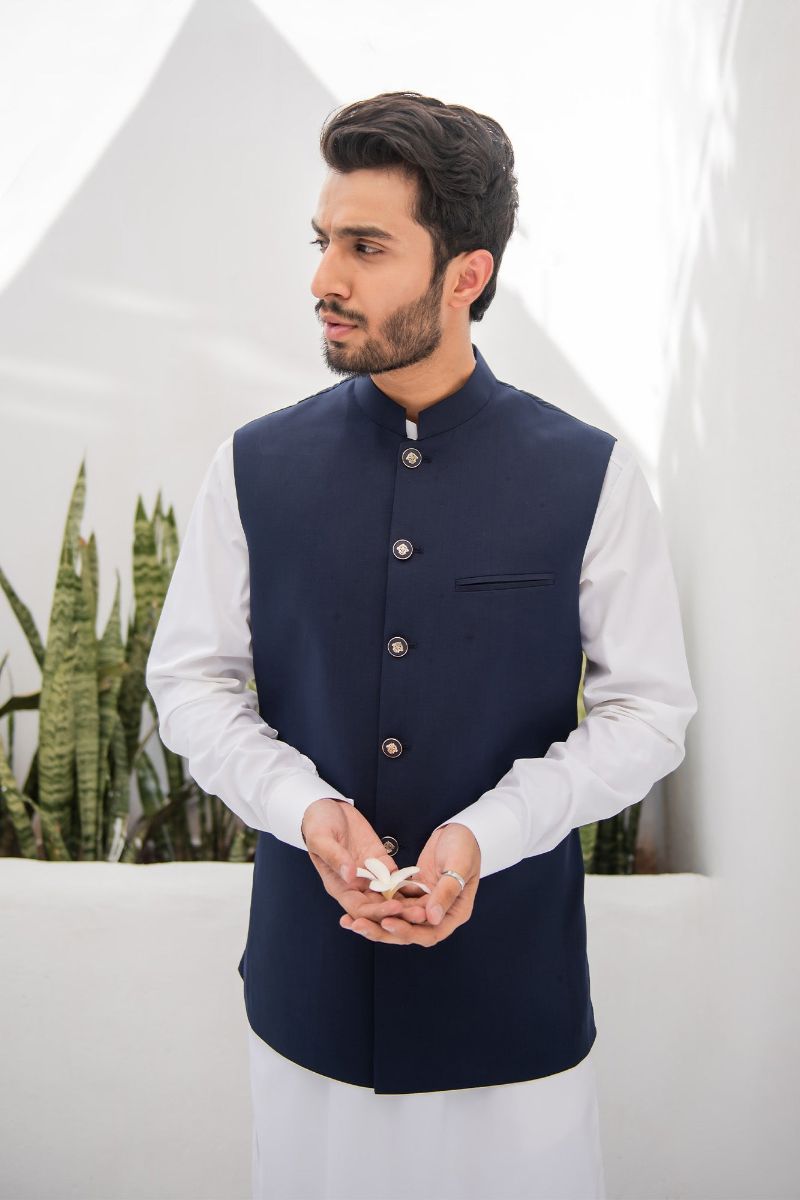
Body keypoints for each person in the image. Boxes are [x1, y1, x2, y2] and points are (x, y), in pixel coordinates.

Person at [146, 91, 698, 1200]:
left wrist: (485, 835)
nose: (324, 279)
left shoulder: (588, 475)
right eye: (321, 241)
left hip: (514, 1013)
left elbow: (649, 713)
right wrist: (304, 808)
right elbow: (192, 683)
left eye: (365, 247)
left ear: (465, 276)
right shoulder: (252, 466)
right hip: (306, 1002)